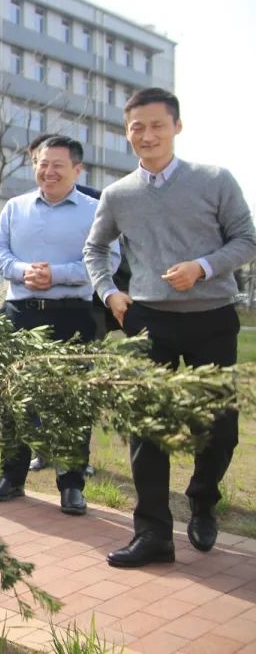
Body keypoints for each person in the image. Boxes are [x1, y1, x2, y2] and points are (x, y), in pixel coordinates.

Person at [84, 87, 256, 567]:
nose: (147, 135)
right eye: (137, 127)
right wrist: (109, 292)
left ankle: (203, 500)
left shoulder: (215, 180)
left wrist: (202, 266)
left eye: (157, 125)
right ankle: (154, 533)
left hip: (212, 318)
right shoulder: (119, 194)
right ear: (127, 132)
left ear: (177, 126)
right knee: (146, 427)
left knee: (219, 427)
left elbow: (246, 239)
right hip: (148, 320)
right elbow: (95, 249)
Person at [0, 135, 119, 515]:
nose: (49, 171)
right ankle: (12, 476)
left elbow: (107, 258)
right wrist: (24, 271)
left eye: (58, 164)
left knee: (72, 401)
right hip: (20, 313)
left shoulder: (95, 210)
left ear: (78, 169)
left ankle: (72, 484)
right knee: (14, 397)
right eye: (43, 163)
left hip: (72, 315)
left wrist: (56, 275)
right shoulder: (15, 207)